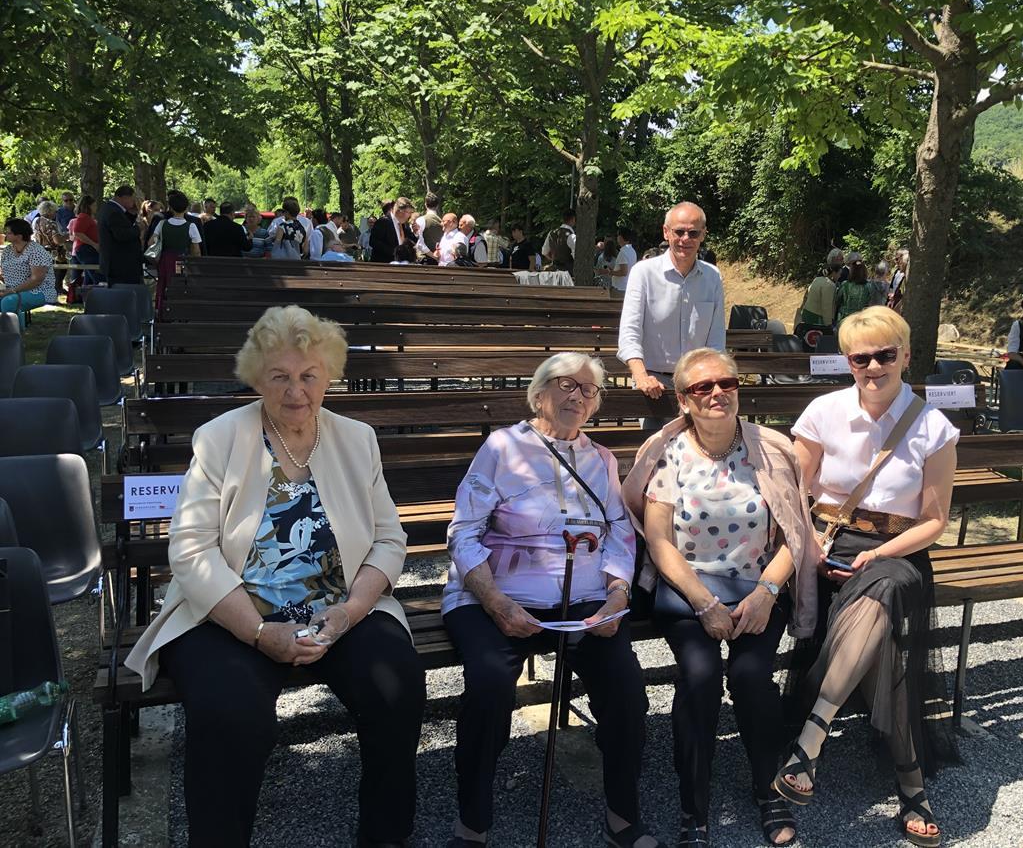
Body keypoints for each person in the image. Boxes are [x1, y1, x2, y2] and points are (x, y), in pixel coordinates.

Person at [124, 305, 426, 846]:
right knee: (230, 714)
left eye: (309, 375)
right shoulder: (219, 438)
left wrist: (350, 611)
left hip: (337, 612)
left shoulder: (356, 438)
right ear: (256, 378)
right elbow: (190, 549)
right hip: (230, 616)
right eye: (279, 376)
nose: (295, 391)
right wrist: (259, 633)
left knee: (397, 685)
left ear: (329, 376)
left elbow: (388, 539)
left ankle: (385, 837)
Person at [442, 352, 663, 848]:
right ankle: (472, 821)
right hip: (495, 597)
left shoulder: (601, 459)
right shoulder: (502, 448)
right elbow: (463, 531)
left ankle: (623, 814)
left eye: (589, 390)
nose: (577, 396)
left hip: (583, 599)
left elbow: (619, 532)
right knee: (489, 687)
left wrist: (617, 593)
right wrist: (496, 603)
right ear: (539, 392)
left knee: (626, 688)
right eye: (567, 384)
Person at [776, 305, 958, 848]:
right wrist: (809, 544)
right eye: (861, 358)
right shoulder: (824, 411)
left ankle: (812, 738)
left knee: (884, 587)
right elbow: (795, 492)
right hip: (829, 545)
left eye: (885, 354)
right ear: (848, 361)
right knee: (885, 651)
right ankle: (912, 786)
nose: (873, 366)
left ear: (906, 355)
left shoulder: (933, 426)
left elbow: (934, 522)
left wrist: (880, 553)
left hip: (898, 551)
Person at [622, 347, 818, 848]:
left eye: (726, 383)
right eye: (702, 387)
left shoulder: (771, 449)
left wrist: (767, 593)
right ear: (683, 400)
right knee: (701, 677)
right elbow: (659, 541)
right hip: (689, 590)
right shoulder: (668, 453)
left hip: (758, 587)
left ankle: (768, 788)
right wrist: (704, 603)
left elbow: (795, 535)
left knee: (751, 677)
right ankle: (695, 806)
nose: (717, 394)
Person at [618, 202, 725, 424]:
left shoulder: (713, 277)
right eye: (679, 231)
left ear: (703, 235)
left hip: (698, 383)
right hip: (654, 384)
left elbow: (716, 340)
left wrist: (712, 380)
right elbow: (629, 334)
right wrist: (641, 377)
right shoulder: (643, 273)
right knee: (656, 445)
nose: (686, 239)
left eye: (693, 233)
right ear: (666, 232)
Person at [148, 191, 203, 317]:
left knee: (163, 285)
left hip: (165, 260)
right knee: (180, 286)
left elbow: (151, 243)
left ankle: (161, 312)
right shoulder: (191, 226)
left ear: (170, 207)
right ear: (186, 208)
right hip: (181, 261)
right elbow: (196, 251)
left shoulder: (162, 224)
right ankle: (179, 313)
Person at [1, 218, 58, 327]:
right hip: (12, 289)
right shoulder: (7, 250)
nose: (5, 235)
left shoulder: (36, 251)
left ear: (19, 236)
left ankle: (14, 335)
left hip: (39, 291)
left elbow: (36, 280)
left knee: (9, 302)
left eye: (8, 233)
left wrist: (12, 290)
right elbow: (4, 273)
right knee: (8, 300)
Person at [97, 184, 143, 284]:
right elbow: (121, 234)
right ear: (124, 197)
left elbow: (123, 224)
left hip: (120, 265)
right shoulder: (113, 212)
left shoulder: (112, 209)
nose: (134, 202)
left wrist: (134, 213)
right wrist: (138, 228)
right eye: (132, 199)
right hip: (119, 265)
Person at [66, 195, 103, 297]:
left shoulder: (88, 218)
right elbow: (77, 233)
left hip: (88, 249)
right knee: (97, 275)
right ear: (89, 206)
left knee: (89, 277)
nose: (96, 207)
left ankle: (86, 298)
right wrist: (94, 244)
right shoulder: (84, 217)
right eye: (94, 205)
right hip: (86, 249)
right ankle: (95, 297)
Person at [33, 199, 67, 296]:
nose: (56, 213)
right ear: (50, 211)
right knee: (60, 270)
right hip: (53, 253)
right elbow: (57, 240)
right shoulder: (50, 223)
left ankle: (48, 293)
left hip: (40, 251)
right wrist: (67, 236)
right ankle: (56, 290)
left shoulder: (37, 221)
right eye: (55, 211)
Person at [833, 259, 876, 328]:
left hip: (844, 320)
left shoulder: (845, 285)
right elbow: (871, 304)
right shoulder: (869, 286)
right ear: (864, 272)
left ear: (851, 271)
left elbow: (837, 301)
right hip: (860, 320)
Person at [796, 264, 840, 331]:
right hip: (817, 317)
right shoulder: (830, 285)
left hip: (807, 312)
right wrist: (828, 325)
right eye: (839, 273)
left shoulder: (817, 279)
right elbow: (826, 306)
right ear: (834, 273)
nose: (839, 276)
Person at [597, 227, 638, 299]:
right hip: (626, 287)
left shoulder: (623, 252)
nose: (617, 237)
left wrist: (609, 272)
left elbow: (623, 272)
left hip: (620, 288)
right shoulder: (632, 251)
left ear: (621, 237)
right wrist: (613, 270)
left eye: (618, 235)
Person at [889, 248, 909, 314]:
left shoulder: (908, 278)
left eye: (898, 259)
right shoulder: (897, 272)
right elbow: (892, 286)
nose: (896, 262)